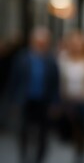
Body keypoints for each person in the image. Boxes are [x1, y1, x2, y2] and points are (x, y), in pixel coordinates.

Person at [9, 27, 59, 163]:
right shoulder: (22, 58)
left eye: (44, 41)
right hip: (25, 99)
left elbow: (55, 83)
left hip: (44, 100)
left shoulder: (51, 60)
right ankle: (24, 155)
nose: (41, 44)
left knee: (43, 131)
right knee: (23, 129)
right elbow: (14, 80)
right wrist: (13, 101)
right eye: (38, 41)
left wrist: (55, 102)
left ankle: (39, 157)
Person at [57, 30, 84, 163]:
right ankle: (76, 145)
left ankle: (81, 150)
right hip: (69, 98)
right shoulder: (64, 58)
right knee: (72, 125)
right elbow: (60, 79)